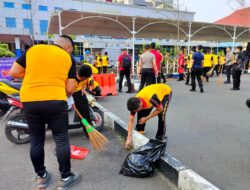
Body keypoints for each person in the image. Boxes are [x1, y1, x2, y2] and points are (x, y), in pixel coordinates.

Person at [9, 35, 80, 189]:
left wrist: (33, 75)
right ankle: (65, 177)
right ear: (68, 48)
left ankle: (41, 177)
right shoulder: (68, 58)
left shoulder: (34, 50)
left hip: (30, 100)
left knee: (36, 140)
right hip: (55, 100)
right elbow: (69, 89)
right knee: (61, 139)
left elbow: (14, 72)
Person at [125, 84, 172, 149]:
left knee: (162, 115)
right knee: (141, 111)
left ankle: (160, 137)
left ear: (141, 105)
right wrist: (129, 137)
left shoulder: (152, 98)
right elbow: (131, 120)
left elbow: (159, 109)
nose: (134, 112)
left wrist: (147, 118)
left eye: (136, 110)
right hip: (149, 94)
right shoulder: (135, 101)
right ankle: (140, 128)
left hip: (165, 92)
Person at [73, 64, 93, 136]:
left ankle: (88, 130)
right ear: (84, 77)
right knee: (83, 115)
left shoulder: (85, 79)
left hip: (79, 94)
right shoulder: (71, 79)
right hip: (70, 94)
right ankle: (88, 129)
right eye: (87, 77)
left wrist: (82, 89)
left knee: (85, 114)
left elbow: (83, 86)